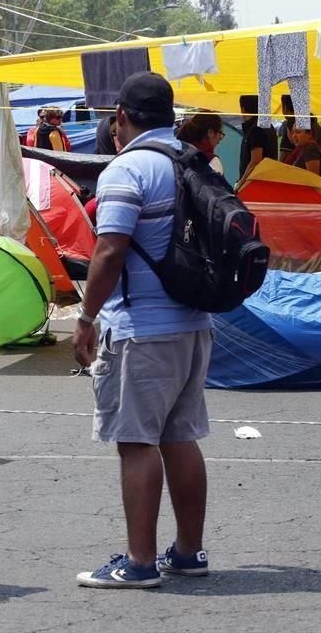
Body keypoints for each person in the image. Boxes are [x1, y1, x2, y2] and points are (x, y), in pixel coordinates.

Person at [73, 71, 213, 589]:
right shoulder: (192, 162)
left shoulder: (127, 170)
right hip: (193, 321)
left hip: (141, 330)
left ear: (122, 118)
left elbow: (110, 250)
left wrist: (85, 319)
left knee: (136, 442)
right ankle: (188, 551)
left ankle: (138, 562)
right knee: (180, 437)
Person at [236, 95, 278, 187]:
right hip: (269, 181)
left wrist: (241, 183)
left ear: (243, 109)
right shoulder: (269, 126)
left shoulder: (256, 129)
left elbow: (255, 160)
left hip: (255, 184)